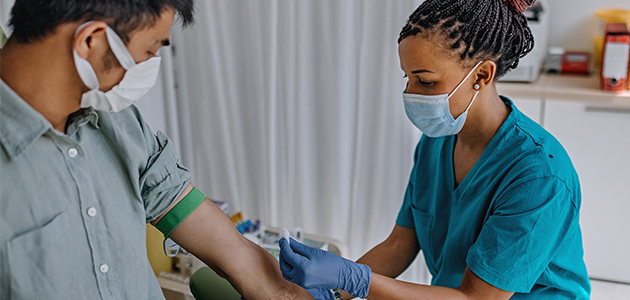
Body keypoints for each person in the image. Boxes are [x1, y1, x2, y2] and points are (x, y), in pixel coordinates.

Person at [0, 1, 314, 299]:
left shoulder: (118, 123)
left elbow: (209, 230)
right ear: (91, 41)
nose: (148, 67)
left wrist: (283, 292)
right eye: (149, 51)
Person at [278, 0, 591, 299]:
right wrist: (333, 291)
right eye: (407, 78)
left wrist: (353, 278)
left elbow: (476, 298)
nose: (410, 94)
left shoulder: (539, 176)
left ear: (482, 75)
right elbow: (400, 244)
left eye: (425, 82)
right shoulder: (438, 141)